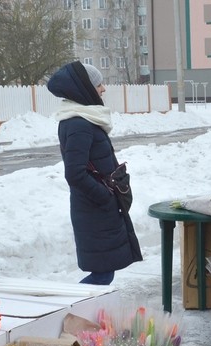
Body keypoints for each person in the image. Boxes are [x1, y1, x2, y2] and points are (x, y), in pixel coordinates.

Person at [47, 61, 142, 285]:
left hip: (96, 210)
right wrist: (105, 197)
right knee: (103, 274)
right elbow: (74, 173)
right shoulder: (79, 123)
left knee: (105, 273)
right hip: (94, 210)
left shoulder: (84, 118)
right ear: (85, 88)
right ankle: (69, 312)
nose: (103, 88)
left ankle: (78, 313)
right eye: (98, 83)